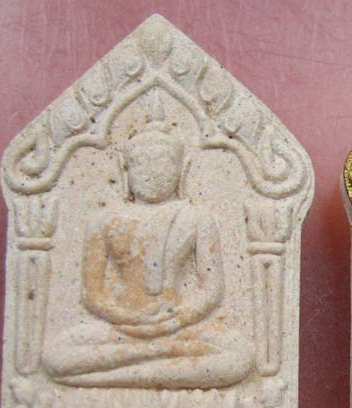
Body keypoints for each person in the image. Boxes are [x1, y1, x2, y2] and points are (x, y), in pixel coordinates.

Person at [42, 92, 254, 389]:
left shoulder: (196, 217)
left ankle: (117, 374)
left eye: (163, 163)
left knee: (240, 355)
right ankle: (158, 363)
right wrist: (128, 318)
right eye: (142, 163)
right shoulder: (104, 220)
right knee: (55, 355)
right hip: (122, 328)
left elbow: (211, 290)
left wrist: (176, 320)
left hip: (178, 327)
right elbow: (92, 295)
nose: (153, 172)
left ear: (181, 169)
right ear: (125, 169)